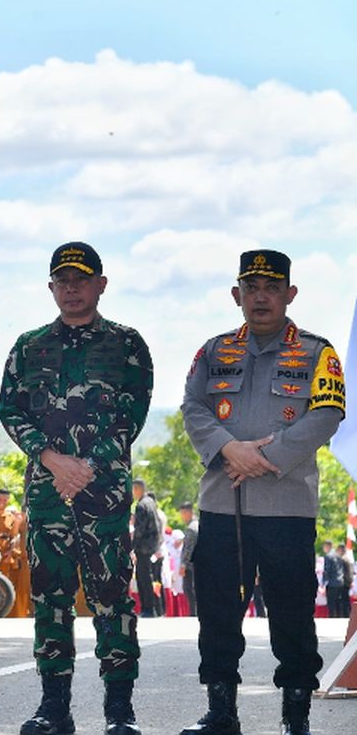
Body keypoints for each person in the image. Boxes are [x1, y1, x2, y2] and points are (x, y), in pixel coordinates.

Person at [179, 249, 344, 735]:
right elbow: (193, 407)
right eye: (251, 288)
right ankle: (221, 712)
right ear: (237, 295)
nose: (261, 297)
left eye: (271, 288)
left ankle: (296, 718)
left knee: (293, 612)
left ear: (290, 294)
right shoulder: (213, 351)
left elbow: (327, 414)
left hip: (286, 507)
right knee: (217, 611)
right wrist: (230, 450)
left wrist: (265, 459)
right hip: (220, 504)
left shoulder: (317, 352)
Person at [0, 241, 152, 735]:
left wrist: (85, 466)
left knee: (112, 599)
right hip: (48, 494)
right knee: (50, 598)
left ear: (100, 285)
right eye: (62, 280)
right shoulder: (29, 345)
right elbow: (9, 409)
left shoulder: (127, 344)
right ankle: (54, 708)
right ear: (51, 287)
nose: (71, 288)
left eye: (80, 280)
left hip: (102, 494)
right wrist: (51, 459)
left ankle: (118, 712)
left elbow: (132, 415)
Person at [0, 488, 30, 617]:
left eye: (5, 500)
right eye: (0, 499)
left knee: (7, 585)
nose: (3, 502)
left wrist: (12, 550)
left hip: (6, 557)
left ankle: (7, 613)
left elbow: (15, 536)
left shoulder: (11, 517)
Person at [132, 479, 163, 617]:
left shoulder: (141, 505)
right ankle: (152, 608)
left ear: (138, 489)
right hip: (152, 545)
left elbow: (140, 529)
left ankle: (148, 608)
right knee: (148, 576)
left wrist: (132, 546)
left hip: (143, 546)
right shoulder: (151, 502)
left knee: (143, 578)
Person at [179, 503, 200, 616]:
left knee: (189, 589)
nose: (182, 516)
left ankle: (193, 612)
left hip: (190, 565)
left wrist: (183, 564)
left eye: (183, 513)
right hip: (196, 564)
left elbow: (188, 548)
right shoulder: (197, 525)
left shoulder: (192, 528)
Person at [324, 541, 352, 618]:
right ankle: (341, 618)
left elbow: (327, 570)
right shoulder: (339, 557)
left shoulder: (329, 556)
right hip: (341, 582)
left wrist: (323, 583)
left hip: (334, 583)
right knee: (339, 603)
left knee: (332, 603)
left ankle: (334, 618)